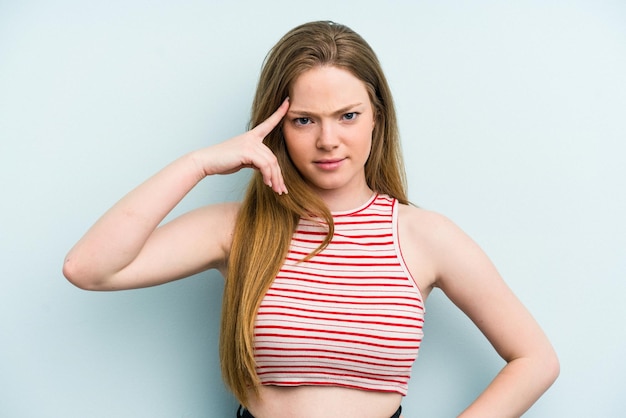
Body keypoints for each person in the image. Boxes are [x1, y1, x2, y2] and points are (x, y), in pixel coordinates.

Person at [63, 20, 559, 418]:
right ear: (275, 125)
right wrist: (198, 163)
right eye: (304, 119)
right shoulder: (237, 229)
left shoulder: (423, 235)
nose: (328, 141)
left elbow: (536, 360)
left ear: (377, 118)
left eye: (348, 116)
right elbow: (89, 269)